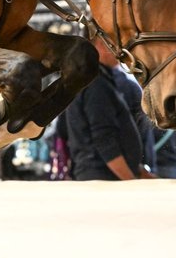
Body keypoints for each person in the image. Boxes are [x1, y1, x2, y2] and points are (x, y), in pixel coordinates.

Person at [63, 35, 155, 181]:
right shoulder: (96, 84)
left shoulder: (99, 80)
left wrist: (138, 172)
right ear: (99, 45)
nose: (121, 51)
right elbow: (104, 140)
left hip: (103, 175)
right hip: (102, 177)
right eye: (114, 45)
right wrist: (130, 181)